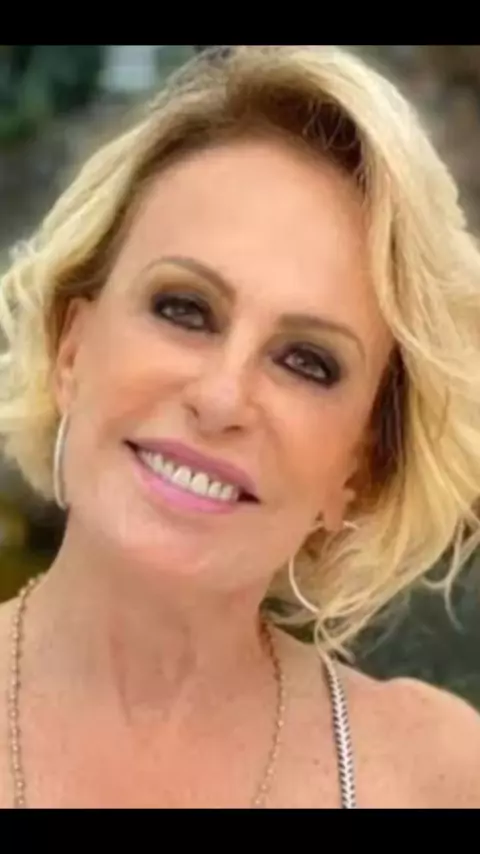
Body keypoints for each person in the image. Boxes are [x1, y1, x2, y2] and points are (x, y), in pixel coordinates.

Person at [0, 44, 479, 809]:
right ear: (72, 348)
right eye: (185, 309)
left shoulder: (440, 778)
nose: (222, 398)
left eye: (307, 362)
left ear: (359, 466)